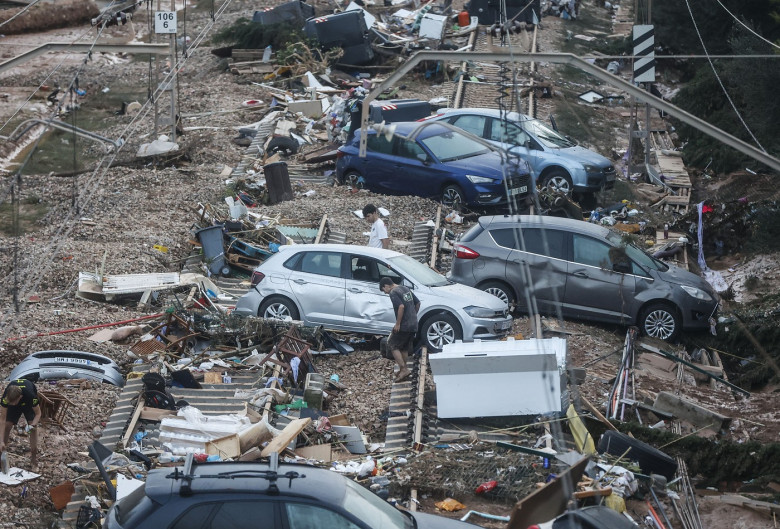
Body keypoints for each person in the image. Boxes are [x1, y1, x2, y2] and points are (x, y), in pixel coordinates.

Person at [380, 277, 420, 382]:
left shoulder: (393, 292)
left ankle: (404, 369)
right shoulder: (405, 288)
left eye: (384, 290)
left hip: (404, 325)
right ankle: (404, 370)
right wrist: (413, 316)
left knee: (391, 344)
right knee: (404, 347)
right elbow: (418, 303)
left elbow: (401, 307)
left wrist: (398, 324)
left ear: (386, 286)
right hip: (413, 324)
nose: (386, 293)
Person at [0, 379, 42, 470]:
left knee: (33, 428)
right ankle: (2, 457)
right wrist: (1, 441)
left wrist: (32, 425)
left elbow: (38, 414)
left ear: (20, 397)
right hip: (14, 399)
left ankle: (34, 459)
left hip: (27, 403)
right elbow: (2, 420)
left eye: (13, 403)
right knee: (7, 425)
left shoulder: (31, 396)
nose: (12, 404)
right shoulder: (6, 398)